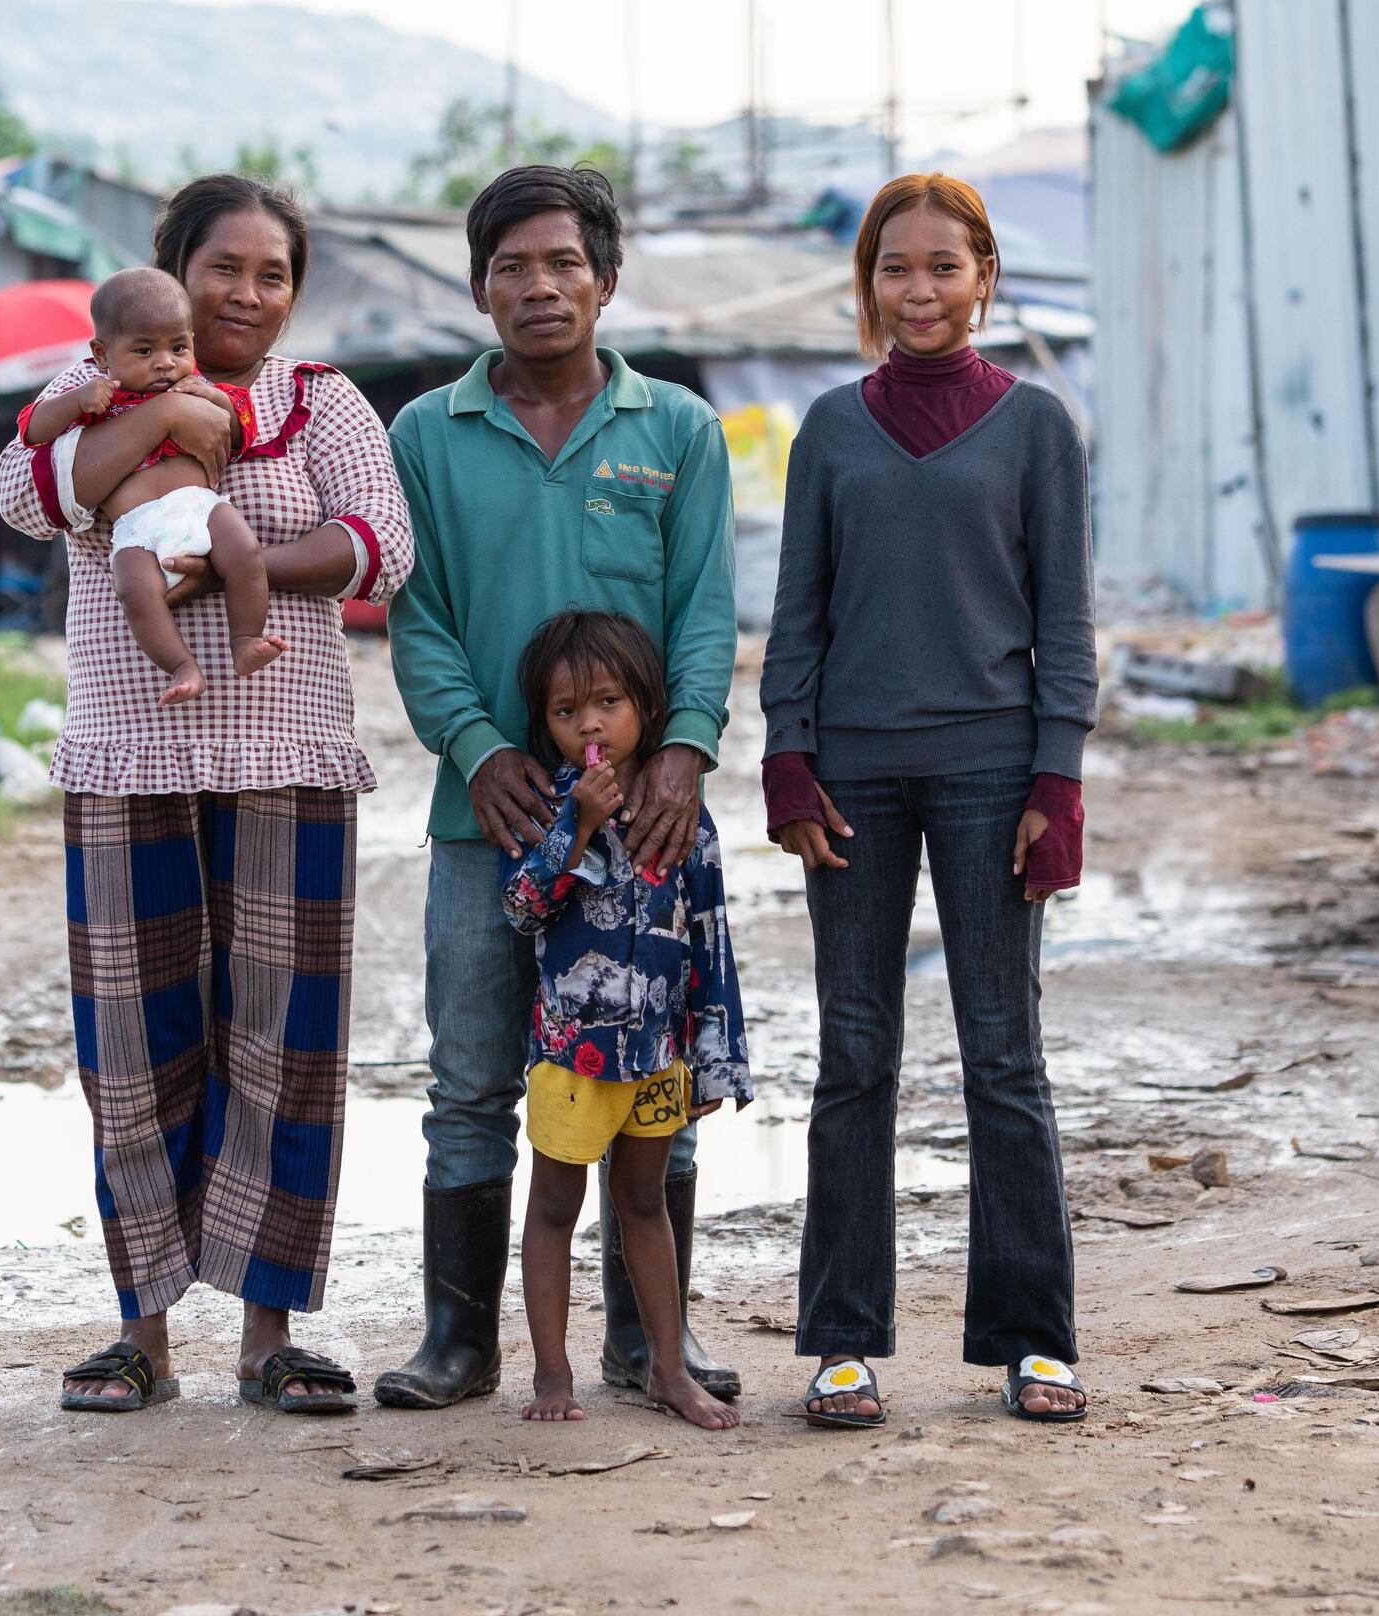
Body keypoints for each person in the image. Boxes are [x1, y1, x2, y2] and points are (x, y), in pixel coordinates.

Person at [0, 174, 415, 1416]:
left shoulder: (322, 402)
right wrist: (160, 405)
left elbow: (380, 543)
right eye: (222, 268)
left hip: (288, 747)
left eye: (272, 274)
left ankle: (268, 1335)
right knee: (133, 1040)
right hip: (130, 750)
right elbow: (39, 498)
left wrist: (209, 578)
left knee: (283, 1042)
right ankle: (144, 1335)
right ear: (170, 269)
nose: (246, 294)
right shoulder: (88, 389)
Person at [378, 163, 740, 1412]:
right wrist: (480, 751)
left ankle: (651, 1343)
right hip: (490, 821)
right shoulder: (425, 435)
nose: (539, 286)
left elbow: (704, 612)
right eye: (512, 266)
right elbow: (416, 621)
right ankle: (460, 1343)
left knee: (655, 1088)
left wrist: (682, 751)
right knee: (472, 1077)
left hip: (647, 834)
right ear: (479, 289)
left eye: (563, 263)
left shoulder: (677, 430)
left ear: (607, 278)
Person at [759, 172, 1097, 1431]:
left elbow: (1065, 621)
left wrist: (1056, 778)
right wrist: (786, 754)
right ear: (869, 285)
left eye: (942, 266)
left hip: (991, 772)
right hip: (850, 778)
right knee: (856, 1055)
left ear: (985, 276)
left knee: (1004, 1057)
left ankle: (1033, 1339)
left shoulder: (1037, 429)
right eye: (895, 268)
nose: (919, 291)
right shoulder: (832, 429)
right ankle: (844, 1341)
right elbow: (797, 611)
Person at [501, 610, 750, 1431]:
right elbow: (524, 908)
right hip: (573, 1055)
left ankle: (667, 1370)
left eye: (607, 702)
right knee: (552, 1209)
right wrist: (577, 829)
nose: (589, 725)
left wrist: (716, 1056)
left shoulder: (683, 816)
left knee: (644, 1204)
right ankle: (552, 1376)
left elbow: (712, 939)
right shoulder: (550, 807)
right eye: (567, 712)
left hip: (657, 1053)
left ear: (646, 704)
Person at [18, 265, 282, 704]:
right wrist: (77, 402)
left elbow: (241, 426)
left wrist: (214, 399)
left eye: (178, 347)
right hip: (136, 527)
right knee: (135, 592)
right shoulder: (100, 398)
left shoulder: (198, 389)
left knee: (246, 552)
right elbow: (31, 429)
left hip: (201, 506)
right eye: (143, 351)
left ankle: (246, 640)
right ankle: (182, 666)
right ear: (102, 354)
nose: (165, 362)